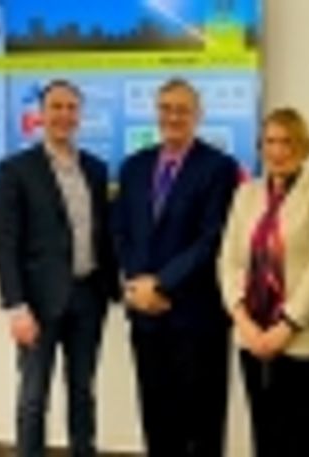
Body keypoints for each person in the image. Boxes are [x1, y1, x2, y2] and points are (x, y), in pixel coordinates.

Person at [0, 79, 119, 457]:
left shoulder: (95, 169)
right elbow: (3, 244)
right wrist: (16, 308)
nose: (64, 115)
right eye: (56, 107)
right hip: (37, 304)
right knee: (33, 398)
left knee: (83, 393)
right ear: (40, 116)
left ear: (79, 115)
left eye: (71, 108)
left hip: (88, 298)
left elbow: (104, 233)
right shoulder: (14, 170)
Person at [113, 77, 239, 457]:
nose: (173, 117)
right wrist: (138, 285)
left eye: (182, 110)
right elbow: (120, 230)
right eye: (166, 109)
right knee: (156, 418)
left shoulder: (219, 167)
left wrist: (163, 284)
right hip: (146, 319)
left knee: (201, 425)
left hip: (197, 319)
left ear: (198, 116)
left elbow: (213, 238)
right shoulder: (134, 166)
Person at [218, 107, 309, 457]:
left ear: (303, 146)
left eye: (287, 141)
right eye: (270, 142)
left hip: (299, 339)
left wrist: (285, 327)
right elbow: (229, 261)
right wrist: (243, 321)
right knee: (265, 434)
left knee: (304, 438)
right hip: (251, 337)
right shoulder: (247, 194)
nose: (278, 150)